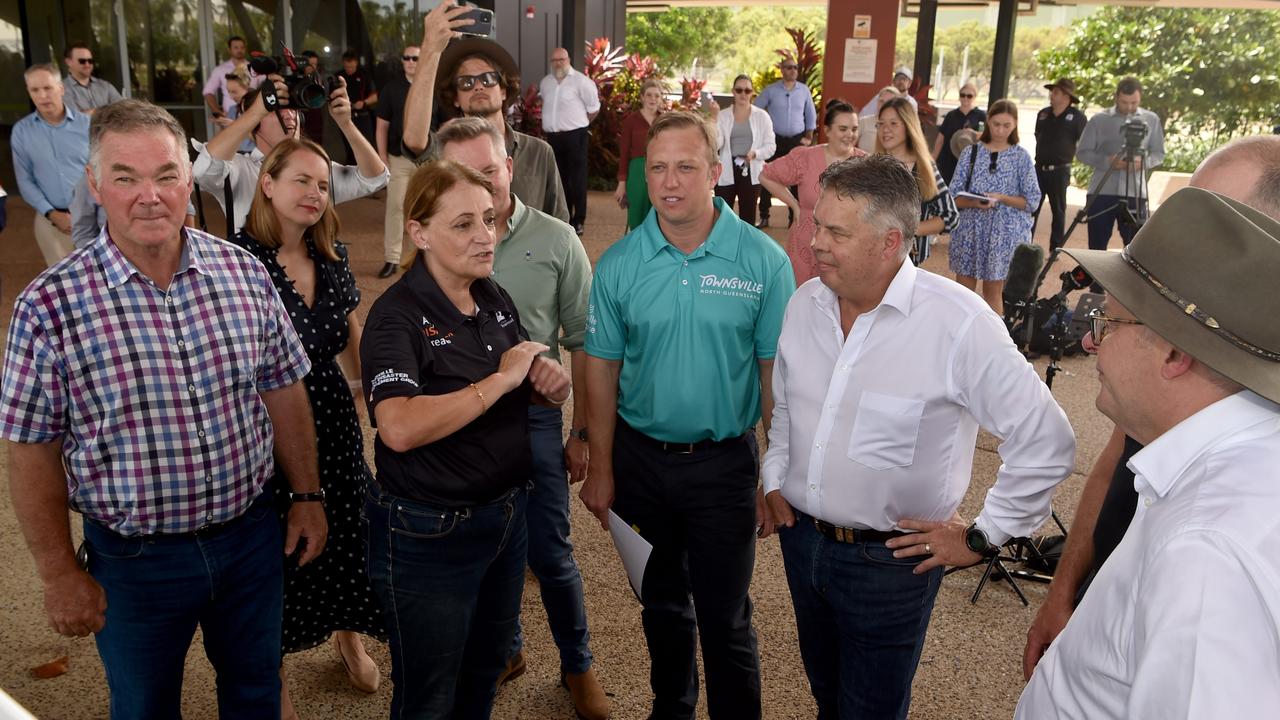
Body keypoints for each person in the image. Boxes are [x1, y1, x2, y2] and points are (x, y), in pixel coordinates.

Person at [0, 98, 326, 718]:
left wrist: (307, 495)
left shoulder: (243, 273)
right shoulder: (49, 307)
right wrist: (58, 572)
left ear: (188, 179)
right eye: (125, 177)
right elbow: (30, 446)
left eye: (167, 174)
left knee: (257, 691)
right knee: (146, 706)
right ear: (95, 184)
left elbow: (283, 387)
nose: (149, 195)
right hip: (134, 563)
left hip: (251, 541)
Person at [758, 153, 1075, 720]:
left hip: (890, 565)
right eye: (816, 224)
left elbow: (1045, 438)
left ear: (891, 242)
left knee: (871, 711)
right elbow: (788, 407)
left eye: (835, 231)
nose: (815, 241)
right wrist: (776, 475)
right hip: (801, 543)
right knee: (827, 697)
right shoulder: (806, 304)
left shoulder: (959, 323)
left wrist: (983, 536)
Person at [1021, 135, 1280, 682]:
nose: (1181, 230)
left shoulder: (1210, 555)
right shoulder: (1190, 411)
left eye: (1211, 216)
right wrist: (1067, 590)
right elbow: (1121, 455)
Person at [579, 111, 795, 720]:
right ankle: (671, 708)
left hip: (724, 465)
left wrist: (770, 475)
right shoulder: (620, 263)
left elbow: (774, 378)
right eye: (659, 169)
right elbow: (600, 369)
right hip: (640, 463)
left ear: (716, 171)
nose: (669, 183)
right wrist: (601, 465)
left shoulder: (762, 262)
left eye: (686, 167)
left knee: (726, 615)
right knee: (661, 604)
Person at [360, 159, 571, 718]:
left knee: (484, 675)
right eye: (463, 224)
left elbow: (526, 387)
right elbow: (398, 427)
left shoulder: (493, 297)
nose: (485, 235)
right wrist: (499, 380)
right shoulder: (395, 317)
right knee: (429, 697)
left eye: (488, 218)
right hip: (429, 533)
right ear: (420, 232)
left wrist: (547, 386)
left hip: (504, 518)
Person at [436, 116, 608, 720]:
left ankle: (578, 665)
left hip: (535, 418)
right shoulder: (438, 240)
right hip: (459, 422)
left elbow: (585, 342)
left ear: (511, 164)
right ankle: (506, 650)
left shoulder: (558, 240)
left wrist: (583, 432)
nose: (480, 185)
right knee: (481, 549)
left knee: (552, 555)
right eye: (462, 175)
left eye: (489, 169)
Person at [227, 137, 387, 714]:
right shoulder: (235, 262)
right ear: (266, 184)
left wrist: (382, 389)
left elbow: (347, 334)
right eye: (302, 180)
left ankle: (349, 635)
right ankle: (275, 676)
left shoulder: (331, 255)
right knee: (277, 553)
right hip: (267, 427)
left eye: (323, 184)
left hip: (336, 424)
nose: (315, 193)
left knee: (348, 530)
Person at [402, 3, 569, 225]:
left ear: (503, 90)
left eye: (488, 78)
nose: (478, 86)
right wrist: (431, 47)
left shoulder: (540, 153)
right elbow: (414, 139)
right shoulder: (445, 152)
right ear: (455, 97)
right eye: (466, 82)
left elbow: (560, 225)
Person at [192, 74, 388, 235]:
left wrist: (346, 123)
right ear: (255, 123)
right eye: (276, 109)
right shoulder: (239, 170)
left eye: (294, 109)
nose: (289, 115)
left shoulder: (316, 170)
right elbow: (204, 171)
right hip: (255, 279)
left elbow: (375, 178)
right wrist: (254, 113)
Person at [949, 99, 1041, 315]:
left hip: (1003, 234)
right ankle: (958, 340)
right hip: (970, 230)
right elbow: (953, 197)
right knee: (963, 292)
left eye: (1006, 125)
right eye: (996, 124)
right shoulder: (970, 153)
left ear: (1015, 125)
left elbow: (1032, 201)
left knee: (993, 292)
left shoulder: (1021, 157)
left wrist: (1001, 198)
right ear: (988, 121)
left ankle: (994, 342)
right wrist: (974, 202)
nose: (1000, 130)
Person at [760, 99, 865, 285]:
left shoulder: (866, 164)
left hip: (847, 245)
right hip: (806, 243)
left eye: (854, 129)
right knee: (800, 298)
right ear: (827, 131)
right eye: (843, 129)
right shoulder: (806, 157)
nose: (850, 134)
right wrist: (794, 204)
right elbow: (766, 175)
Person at [12, 64, 90, 266]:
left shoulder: (87, 126)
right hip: (50, 220)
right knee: (64, 286)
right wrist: (52, 214)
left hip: (91, 216)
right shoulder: (21, 132)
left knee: (100, 279)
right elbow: (25, 180)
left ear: (61, 89)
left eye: (47, 88)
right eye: (35, 90)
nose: (42, 95)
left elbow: (101, 171)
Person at [1076, 77, 1164, 253]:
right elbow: (1082, 153)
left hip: (1135, 193)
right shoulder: (1099, 120)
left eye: (1134, 102)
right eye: (1125, 102)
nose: (1130, 107)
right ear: (1116, 97)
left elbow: (1159, 154)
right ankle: (1096, 282)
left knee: (1137, 250)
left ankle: (1130, 282)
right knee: (1096, 248)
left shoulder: (1151, 119)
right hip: (1102, 191)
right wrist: (1108, 162)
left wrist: (1142, 163)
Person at [875, 96, 958, 266]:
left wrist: (911, 230)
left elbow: (951, 217)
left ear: (908, 126)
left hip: (908, 263)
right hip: (874, 257)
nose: (885, 130)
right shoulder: (872, 166)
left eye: (893, 123)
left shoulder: (923, 168)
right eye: (881, 124)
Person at [540, 47, 600, 235]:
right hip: (553, 138)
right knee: (559, 180)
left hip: (575, 136)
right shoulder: (546, 82)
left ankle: (579, 220)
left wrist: (580, 125)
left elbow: (594, 109)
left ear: (568, 59)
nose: (558, 63)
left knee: (577, 180)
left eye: (561, 59)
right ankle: (564, 218)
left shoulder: (582, 82)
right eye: (554, 60)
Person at [753, 56, 817, 228]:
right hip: (774, 139)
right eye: (789, 67)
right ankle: (765, 216)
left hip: (796, 140)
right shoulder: (771, 90)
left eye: (795, 67)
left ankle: (793, 218)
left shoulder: (804, 90)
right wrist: (761, 133)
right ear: (781, 69)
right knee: (768, 175)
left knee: (797, 179)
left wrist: (809, 137)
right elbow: (756, 109)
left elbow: (810, 114)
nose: (793, 71)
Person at [375, 43, 422, 278]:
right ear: (402, 61)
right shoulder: (391, 89)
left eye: (415, 58)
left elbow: (445, 126)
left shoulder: (431, 87)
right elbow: (382, 125)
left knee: (424, 210)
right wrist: (382, 157)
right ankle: (392, 258)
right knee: (395, 208)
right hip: (398, 159)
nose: (411, 62)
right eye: (407, 58)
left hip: (428, 162)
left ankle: (418, 261)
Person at [714, 75, 776, 226]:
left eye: (747, 90)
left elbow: (771, 146)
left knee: (747, 216)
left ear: (752, 93)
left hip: (751, 168)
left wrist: (756, 153)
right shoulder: (722, 116)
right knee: (722, 214)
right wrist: (713, 119)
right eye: (739, 90)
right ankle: (722, 246)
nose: (743, 94)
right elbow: (716, 144)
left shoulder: (762, 116)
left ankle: (745, 247)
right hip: (727, 167)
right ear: (733, 92)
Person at [1034, 78, 1087, 252]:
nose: (1052, 95)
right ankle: (1025, 244)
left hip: (1059, 170)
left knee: (1058, 210)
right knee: (1032, 206)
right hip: (1039, 169)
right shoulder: (1043, 113)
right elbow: (1037, 135)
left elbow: (1083, 142)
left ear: (1066, 96)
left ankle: (1055, 248)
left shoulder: (1078, 118)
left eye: (1056, 92)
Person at [615, 78, 663, 230]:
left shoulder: (665, 121)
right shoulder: (631, 121)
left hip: (661, 168)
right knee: (636, 215)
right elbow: (623, 154)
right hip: (637, 170)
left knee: (659, 213)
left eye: (657, 95)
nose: (653, 99)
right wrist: (621, 184)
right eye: (649, 95)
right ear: (642, 97)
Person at [933, 81, 985, 184]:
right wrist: (933, 158)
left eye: (969, 96)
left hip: (971, 160)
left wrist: (974, 133)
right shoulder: (951, 115)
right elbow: (941, 138)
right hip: (949, 159)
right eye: (963, 95)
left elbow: (988, 137)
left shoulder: (981, 115)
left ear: (974, 97)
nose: (965, 98)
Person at [337, 49, 378, 164]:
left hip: (363, 116)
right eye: (347, 67)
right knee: (349, 147)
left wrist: (364, 102)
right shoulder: (339, 76)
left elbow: (375, 96)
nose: (349, 70)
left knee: (367, 145)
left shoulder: (364, 75)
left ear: (356, 63)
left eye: (351, 67)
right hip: (346, 116)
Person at [61, 43, 122, 116]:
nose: (87, 64)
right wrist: (108, 109)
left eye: (90, 61)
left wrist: (93, 112)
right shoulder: (61, 89)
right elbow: (75, 118)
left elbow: (122, 109)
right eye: (82, 61)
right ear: (68, 62)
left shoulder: (105, 86)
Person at [202, 35, 253, 122]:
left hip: (252, 114)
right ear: (229, 49)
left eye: (242, 47)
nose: (239, 50)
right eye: (236, 47)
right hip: (230, 116)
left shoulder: (254, 68)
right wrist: (216, 111)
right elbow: (208, 92)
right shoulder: (220, 70)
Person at [858, 86, 901, 153]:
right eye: (881, 101)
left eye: (889, 102)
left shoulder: (901, 125)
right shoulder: (863, 121)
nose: (883, 105)